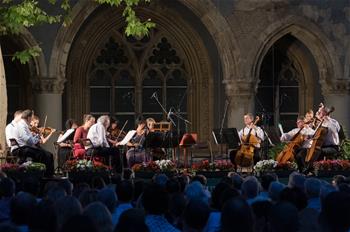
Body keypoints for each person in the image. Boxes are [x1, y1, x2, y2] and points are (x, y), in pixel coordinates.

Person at [12, 110, 54, 177]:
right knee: (42, 154)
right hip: (21, 148)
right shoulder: (21, 125)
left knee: (49, 155)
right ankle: (42, 175)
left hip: (25, 147)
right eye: (31, 119)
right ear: (28, 118)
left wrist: (37, 136)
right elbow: (28, 140)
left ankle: (49, 175)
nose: (31, 121)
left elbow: (31, 139)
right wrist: (36, 138)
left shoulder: (24, 125)